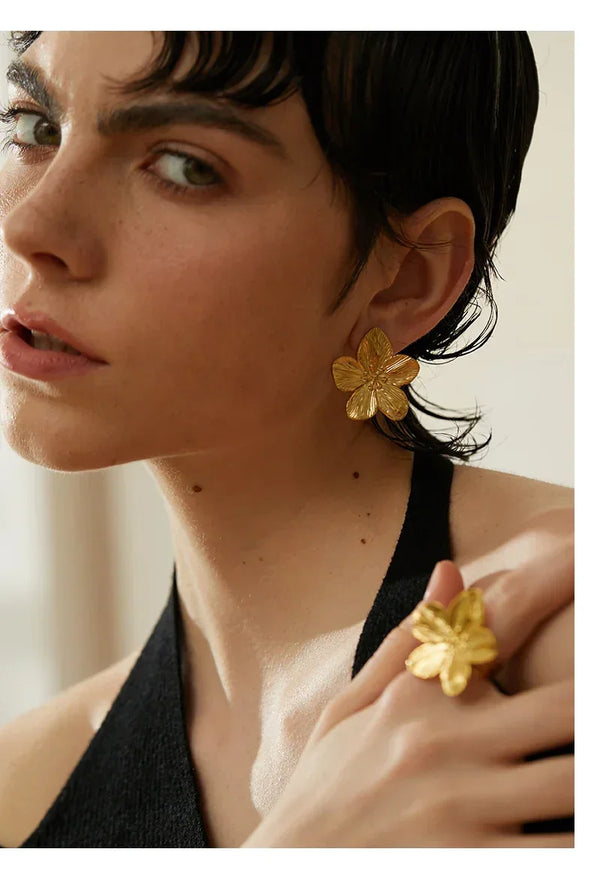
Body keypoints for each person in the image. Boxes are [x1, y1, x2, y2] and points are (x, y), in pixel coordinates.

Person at [0, 31, 573, 847]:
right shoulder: (27, 785)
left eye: (184, 166)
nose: (32, 224)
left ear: (407, 275)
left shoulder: (576, 627)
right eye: (33, 125)